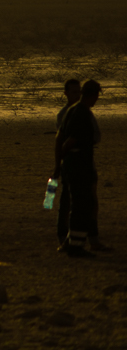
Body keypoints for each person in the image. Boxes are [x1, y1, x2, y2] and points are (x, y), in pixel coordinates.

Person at [55, 80, 106, 256]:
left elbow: (58, 139)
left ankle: (75, 242)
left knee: (83, 203)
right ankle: (74, 245)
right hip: (78, 165)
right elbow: (68, 142)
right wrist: (64, 158)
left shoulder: (72, 112)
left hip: (74, 165)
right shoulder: (80, 114)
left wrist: (59, 163)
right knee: (79, 205)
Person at [56, 78, 81, 249]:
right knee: (67, 199)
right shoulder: (64, 114)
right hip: (70, 161)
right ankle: (63, 234)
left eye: (78, 91)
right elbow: (61, 141)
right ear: (65, 94)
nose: (77, 94)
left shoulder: (82, 111)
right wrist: (58, 165)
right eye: (73, 91)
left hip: (80, 160)